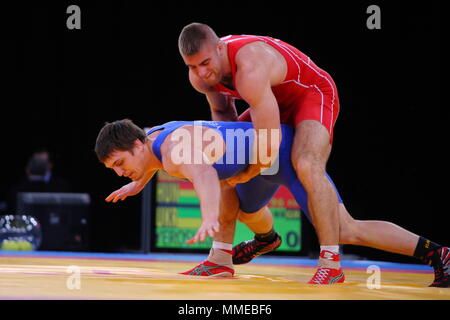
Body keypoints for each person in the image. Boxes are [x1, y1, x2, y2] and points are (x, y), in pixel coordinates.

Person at [95, 119, 449, 287]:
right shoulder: (152, 138)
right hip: (257, 166)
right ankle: (251, 246)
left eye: (120, 165)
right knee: (239, 200)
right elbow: (155, 156)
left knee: (344, 229)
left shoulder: (171, 150)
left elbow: (201, 174)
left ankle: (437, 253)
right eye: (115, 170)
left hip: (286, 153)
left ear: (138, 146)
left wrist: (207, 216)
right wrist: (138, 182)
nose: (120, 173)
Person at [178, 23, 343, 284]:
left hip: (311, 94)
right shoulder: (201, 78)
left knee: (307, 164)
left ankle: (331, 263)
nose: (202, 72)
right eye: (193, 66)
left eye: (206, 63)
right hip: (268, 100)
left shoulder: (250, 66)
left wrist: (248, 173)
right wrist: (232, 164)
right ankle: (220, 257)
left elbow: (270, 140)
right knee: (223, 161)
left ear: (220, 48)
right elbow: (223, 116)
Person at [7, 149, 72, 211]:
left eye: (42, 162)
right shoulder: (19, 187)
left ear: (50, 165)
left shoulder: (61, 186)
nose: (38, 164)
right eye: (35, 161)